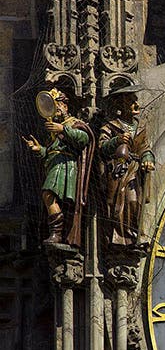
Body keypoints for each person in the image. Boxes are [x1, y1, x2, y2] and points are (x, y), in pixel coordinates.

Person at [22, 89, 94, 246]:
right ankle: (57, 234)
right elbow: (50, 152)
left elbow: (84, 138)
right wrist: (39, 149)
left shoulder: (73, 123)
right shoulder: (55, 129)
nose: (56, 108)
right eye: (53, 105)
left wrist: (63, 129)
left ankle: (57, 233)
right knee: (50, 197)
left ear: (66, 107)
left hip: (65, 166)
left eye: (59, 104)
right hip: (55, 164)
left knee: (48, 195)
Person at [98, 85, 155, 246]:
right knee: (117, 205)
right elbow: (102, 146)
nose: (136, 104)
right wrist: (117, 140)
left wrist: (147, 159)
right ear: (121, 106)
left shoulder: (139, 127)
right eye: (131, 101)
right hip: (118, 169)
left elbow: (145, 148)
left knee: (134, 201)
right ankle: (119, 237)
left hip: (135, 171)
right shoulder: (110, 126)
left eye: (135, 100)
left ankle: (135, 234)